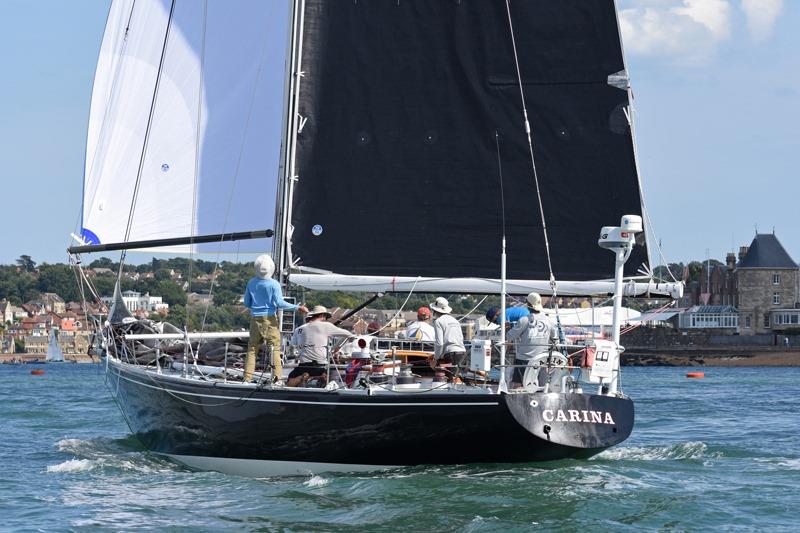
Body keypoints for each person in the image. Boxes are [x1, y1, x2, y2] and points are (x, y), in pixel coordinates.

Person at [243, 255, 307, 384]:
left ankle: (247, 378)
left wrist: (257, 307)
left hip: (255, 318)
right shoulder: (274, 284)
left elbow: (246, 303)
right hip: (270, 319)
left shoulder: (251, 282)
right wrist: (297, 307)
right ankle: (277, 379)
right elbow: (280, 303)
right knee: (274, 349)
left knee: (252, 349)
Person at [287, 305, 353, 387]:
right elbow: (349, 334)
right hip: (319, 366)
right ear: (322, 316)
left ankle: (300, 378)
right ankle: (322, 379)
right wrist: (336, 347)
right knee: (327, 380)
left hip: (303, 365)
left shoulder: (298, 329)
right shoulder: (326, 326)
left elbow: (293, 346)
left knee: (289, 381)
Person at [507, 292, 556, 388]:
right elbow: (554, 339)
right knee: (541, 385)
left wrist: (508, 327)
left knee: (518, 385)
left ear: (528, 304)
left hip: (524, 359)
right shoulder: (549, 320)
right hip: (542, 360)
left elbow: (509, 336)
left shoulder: (524, 320)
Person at [429, 297, 466, 373]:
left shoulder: (438, 321)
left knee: (447, 379)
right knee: (458, 379)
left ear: (435, 311)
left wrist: (435, 359)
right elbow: (461, 338)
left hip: (451, 354)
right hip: (462, 352)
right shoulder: (455, 321)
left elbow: (439, 344)